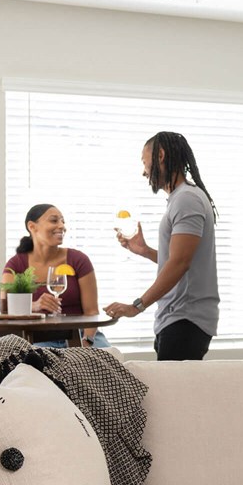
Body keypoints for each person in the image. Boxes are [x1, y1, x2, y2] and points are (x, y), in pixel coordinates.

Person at [104, 132, 218, 361]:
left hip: (185, 320)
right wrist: (145, 250)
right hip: (177, 320)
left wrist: (136, 306)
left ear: (161, 156)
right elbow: (182, 259)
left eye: (145, 163)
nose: (144, 172)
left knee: (175, 396)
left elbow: (180, 263)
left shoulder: (187, 199)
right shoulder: (181, 198)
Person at [3, 204, 109, 348]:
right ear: (32, 226)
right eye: (54, 221)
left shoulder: (78, 260)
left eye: (63, 221)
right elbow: (5, 309)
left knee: (107, 361)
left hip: (81, 334)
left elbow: (91, 312)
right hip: (39, 338)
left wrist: (86, 341)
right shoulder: (16, 264)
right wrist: (34, 306)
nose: (61, 226)